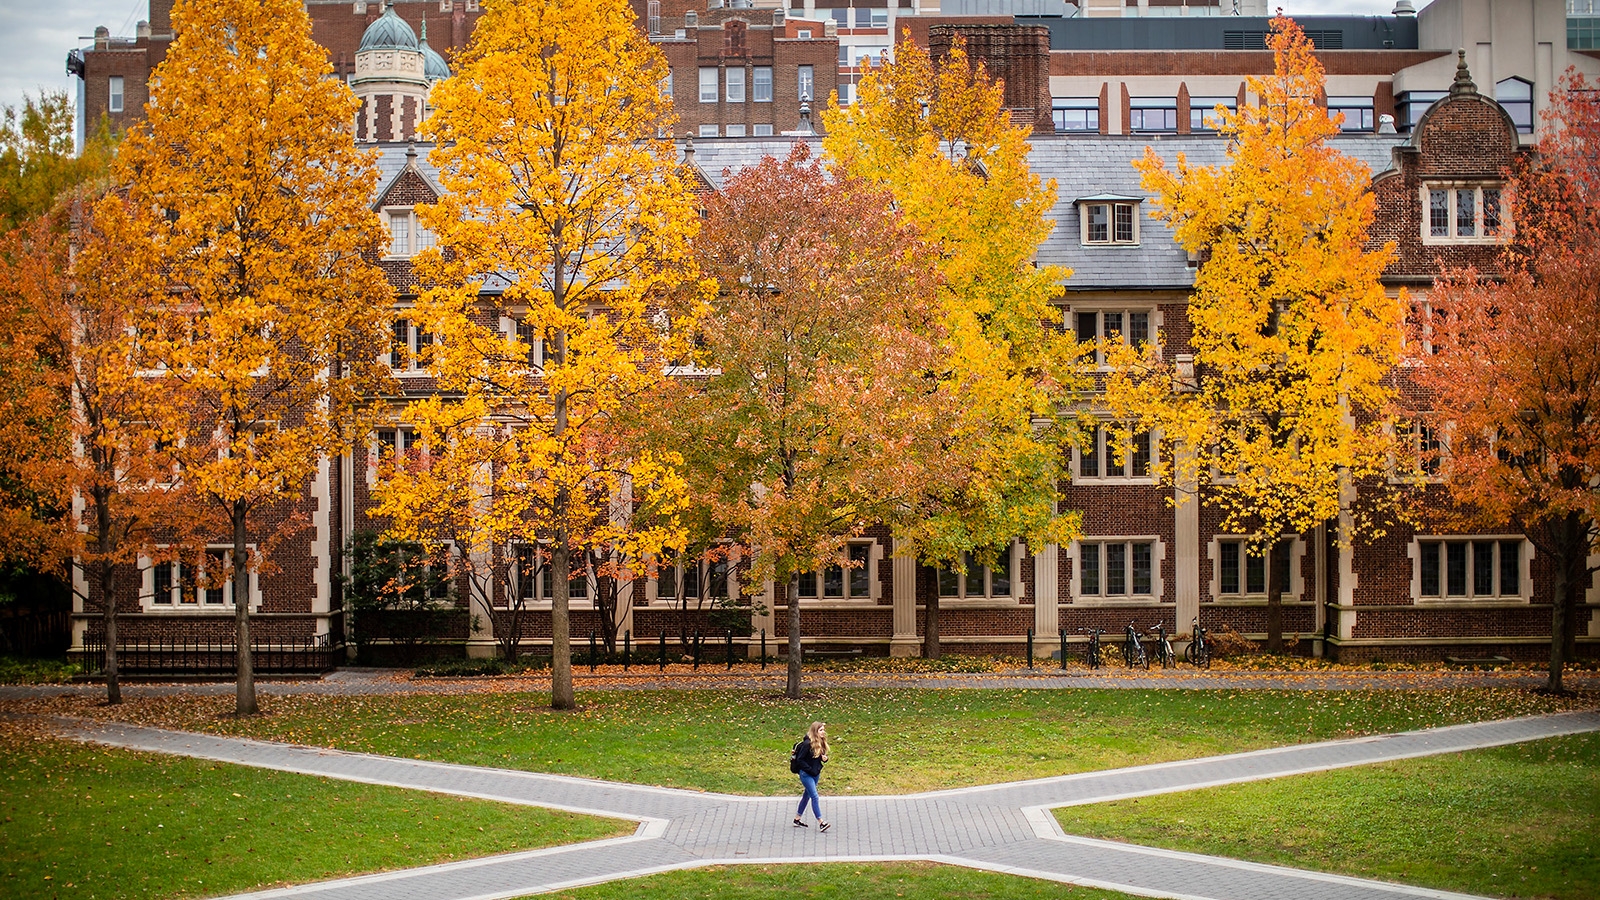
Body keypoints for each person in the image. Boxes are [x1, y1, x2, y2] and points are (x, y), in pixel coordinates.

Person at [792, 720, 830, 832]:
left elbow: (819, 757)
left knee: (806, 796)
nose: (823, 732)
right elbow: (800, 760)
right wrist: (809, 769)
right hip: (806, 774)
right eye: (821, 730)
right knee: (814, 796)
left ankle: (797, 819)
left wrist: (824, 759)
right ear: (815, 731)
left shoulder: (821, 742)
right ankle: (821, 822)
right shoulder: (806, 744)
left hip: (815, 773)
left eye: (823, 730)